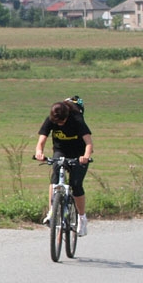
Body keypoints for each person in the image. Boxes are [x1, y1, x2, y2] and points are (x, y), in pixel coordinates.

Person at [34, 99, 94, 236]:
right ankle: (52, 212)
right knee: (55, 175)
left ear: (67, 116)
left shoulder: (77, 119)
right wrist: (39, 152)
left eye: (62, 122)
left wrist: (85, 156)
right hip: (61, 150)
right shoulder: (51, 119)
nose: (59, 124)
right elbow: (41, 140)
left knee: (76, 184)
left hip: (79, 153)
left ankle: (82, 218)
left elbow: (89, 142)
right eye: (57, 123)